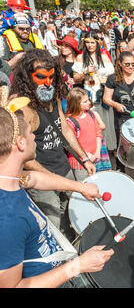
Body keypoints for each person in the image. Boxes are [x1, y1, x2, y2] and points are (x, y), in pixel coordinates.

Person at [0, 101, 114, 288]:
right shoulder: (6, 217)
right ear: (20, 143)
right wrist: (79, 265)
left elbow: (35, 179)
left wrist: (81, 187)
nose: (34, 138)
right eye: (30, 133)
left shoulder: (9, 178)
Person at [9, 49, 96, 235]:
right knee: (52, 229)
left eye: (51, 77)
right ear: (27, 77)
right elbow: (22, 155)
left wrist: (84, 159)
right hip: (42, 181)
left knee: (72, 217)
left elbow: (64, 129)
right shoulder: (21, 108)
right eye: (41, 77)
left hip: (64, 169)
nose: (48, 83)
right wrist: (50, 178)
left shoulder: (53, 95)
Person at [72, 30, 116, 156]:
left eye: (93, 42)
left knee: (106, 120)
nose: (90, 45)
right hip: (88, 95)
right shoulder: (81, 58)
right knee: (91, 122)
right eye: (87, 42)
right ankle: (94, 150)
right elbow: (75, 78)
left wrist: (104, 80)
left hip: (102, 94)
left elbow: (112, 77)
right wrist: (85, 72)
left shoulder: (104, 57)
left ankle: (110, 147)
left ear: (98, 43)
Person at [65, 87, 110, 181]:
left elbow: (98, 133)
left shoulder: (91, 114)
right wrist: (87, 156)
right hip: (80, 163)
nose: (89, 102)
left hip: (95, 158)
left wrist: (97, 152)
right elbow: (69, 145)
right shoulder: (70, 122)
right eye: (85, 102)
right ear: (76, 104)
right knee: (86, 186)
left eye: (88, 99)